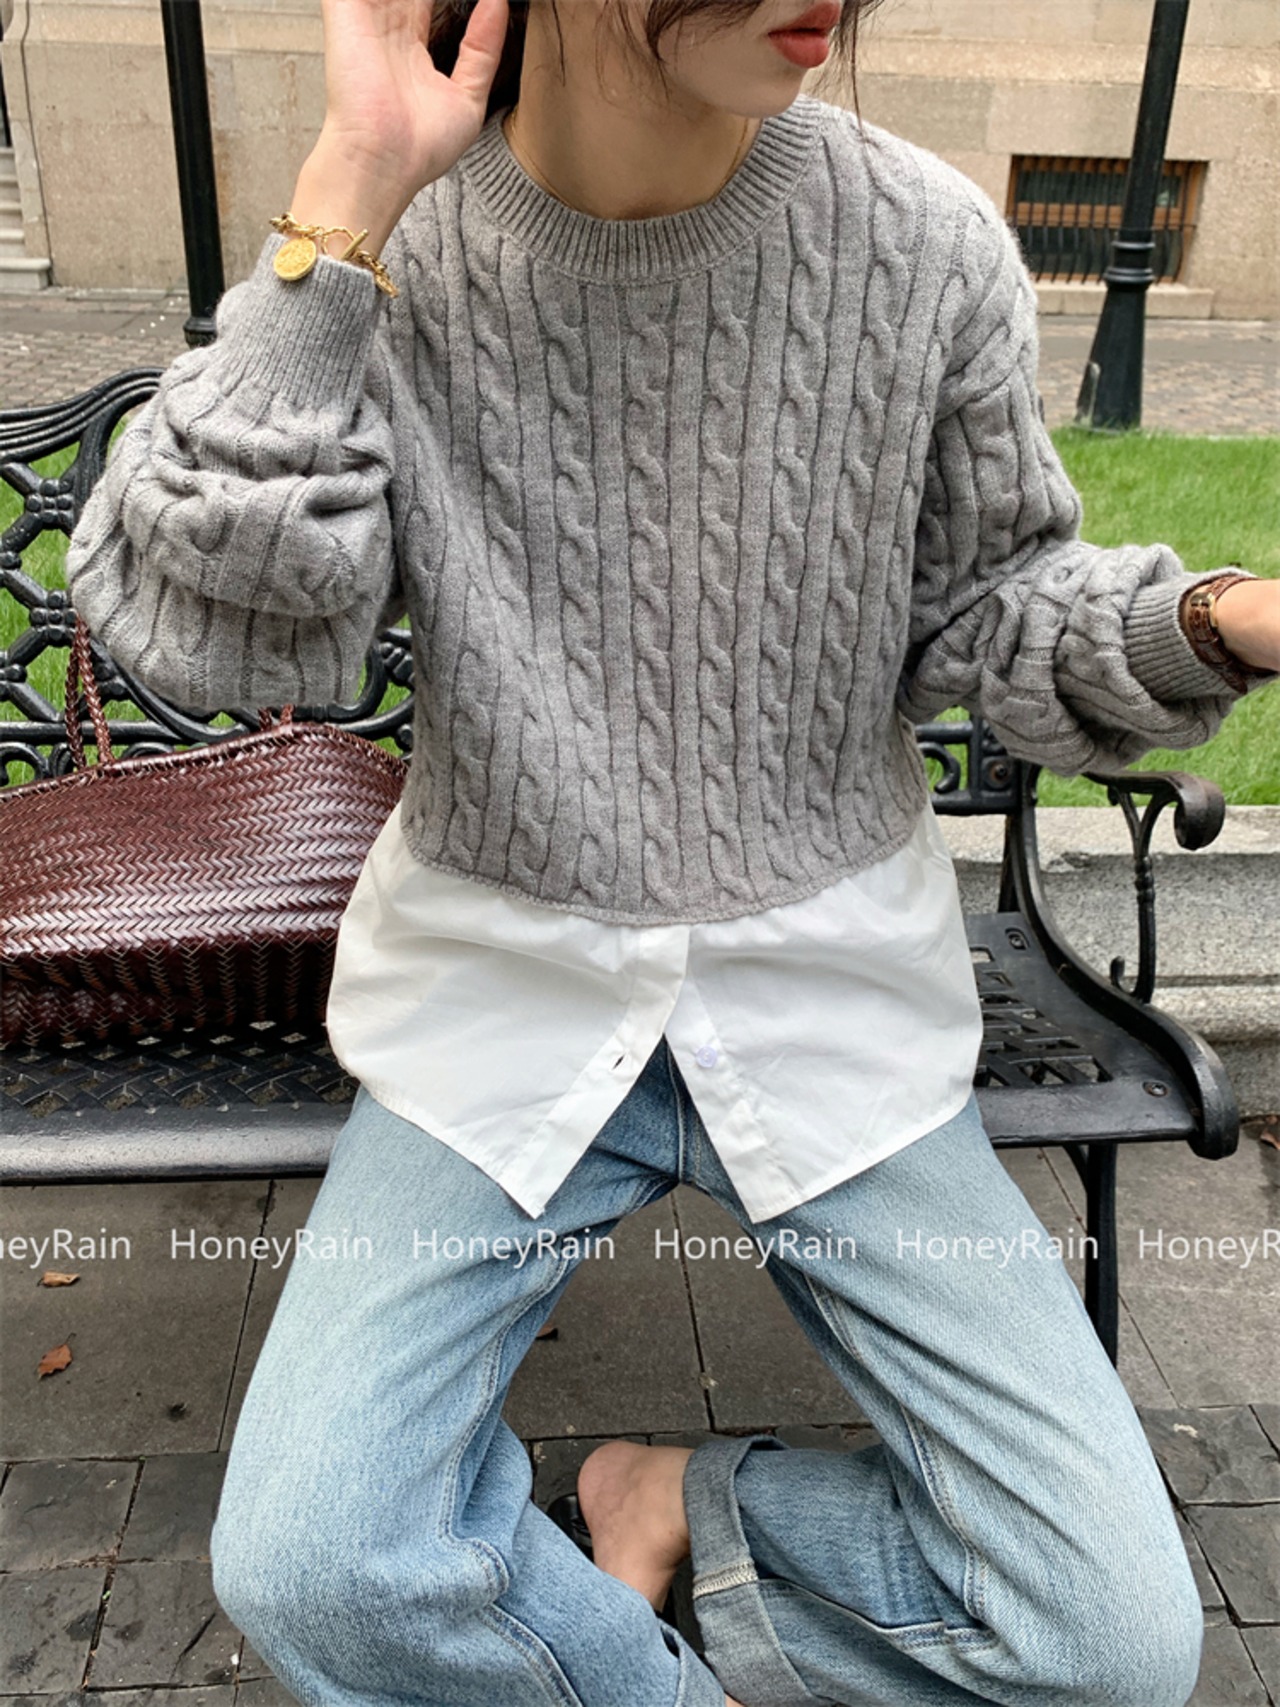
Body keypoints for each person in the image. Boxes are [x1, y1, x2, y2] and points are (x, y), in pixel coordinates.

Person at [64, 0, 1280, 1701]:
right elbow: (213, 644)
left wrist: (1226, 618)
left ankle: (689, 1504)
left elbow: (992, 607)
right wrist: (344, 199)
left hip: (833, 994)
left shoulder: (924, 246)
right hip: (501, 990)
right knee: (319, 1564)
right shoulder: (393, 257)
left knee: (1111, 1648)